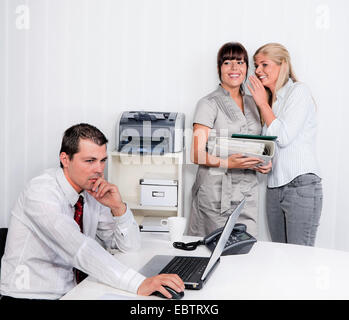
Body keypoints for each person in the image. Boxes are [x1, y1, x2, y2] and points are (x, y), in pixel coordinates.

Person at [0, 123, 184, 300]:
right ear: (65, 159)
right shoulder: (41, 192)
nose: (99, 169)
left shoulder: (91, 191)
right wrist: (139, 284)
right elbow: (79, 248)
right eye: (90, 161)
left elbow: (128, 247)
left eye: (102, 160)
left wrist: (118, 208)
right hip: (30, 295)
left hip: (74, 291)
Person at [187, 42, 271, 238]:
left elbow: (258, 146)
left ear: (247, 68)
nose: (234, 68)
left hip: (247, 191)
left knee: (245, 251)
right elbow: (196, 153)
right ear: (219, 69)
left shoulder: (254, 102)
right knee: (213, 251)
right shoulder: (208, 104)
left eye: (240, 62)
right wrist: (228, 163)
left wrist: (263, 163)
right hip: (215, 193)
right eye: (227, 63)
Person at [247, 43, 323, 246]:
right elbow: (272, 145)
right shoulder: (272, 101)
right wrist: (266, 162)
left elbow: (285, 136)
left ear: (282, 65)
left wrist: (262, 103)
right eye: (256, 65)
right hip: (274, 188)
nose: (258, 71)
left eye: (264, 64)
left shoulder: (299, 92)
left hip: (301, 186)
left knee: (300, 259)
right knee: (280, 257)